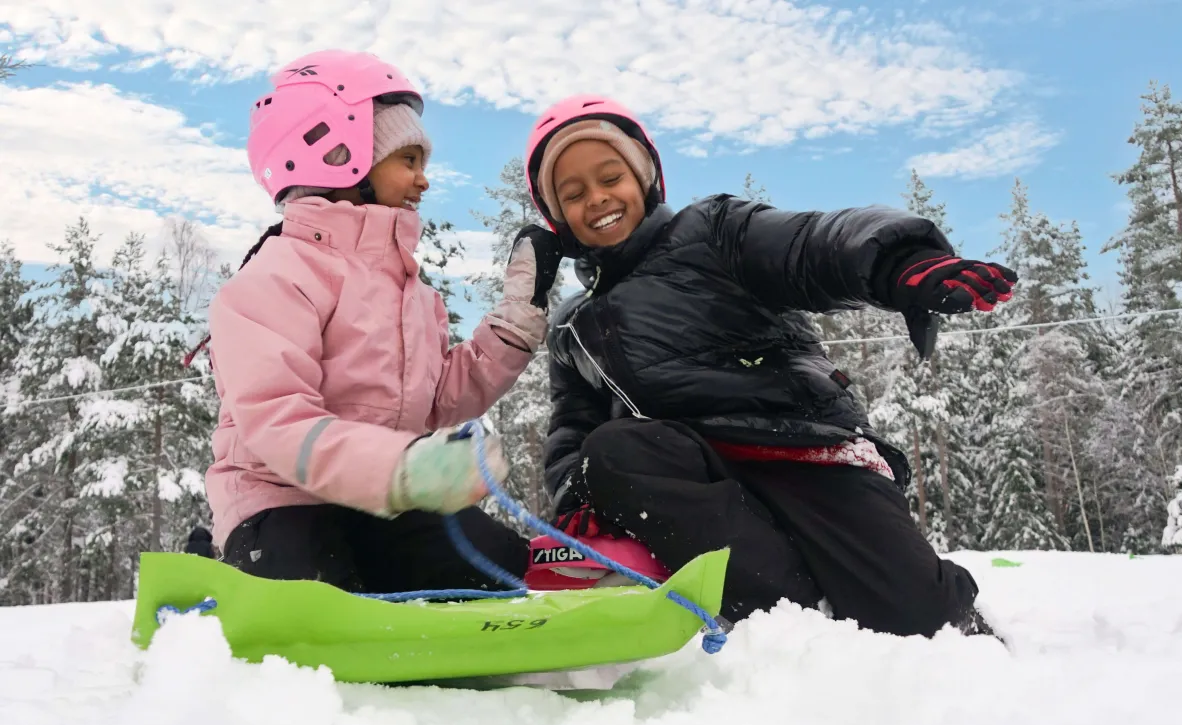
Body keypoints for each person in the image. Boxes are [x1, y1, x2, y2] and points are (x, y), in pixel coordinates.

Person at [520, 95, 1018, 638]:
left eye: (609, 177)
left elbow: (810, 246)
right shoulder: (572, 324)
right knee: (612, 450)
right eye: (573, 193)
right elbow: (573, 423)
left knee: (923, 623)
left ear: (644, 178)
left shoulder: (713, 232)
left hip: (804, 452)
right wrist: (577, 497)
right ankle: (795, 622)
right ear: (557, 216)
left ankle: (930, 614)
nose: (597, 199)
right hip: (699, 480)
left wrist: (901, 263)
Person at [201, 50, 556, 594]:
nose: (423, 180)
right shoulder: (273, 279)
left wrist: (510, 328)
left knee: (498, 569)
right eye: (408, 160)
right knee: (310, 583)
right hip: (282, 501)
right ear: (337, 153)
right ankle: (222, 559)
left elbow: (437, 402)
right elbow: (278, 422)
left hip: (388, 504)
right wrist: (403, 468)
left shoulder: (410, 292)